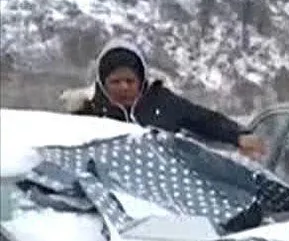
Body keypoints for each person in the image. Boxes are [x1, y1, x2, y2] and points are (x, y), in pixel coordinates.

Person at [68, 39, 266, 156]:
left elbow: (202, 119)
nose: (124, 87)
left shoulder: (161, 101)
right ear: (103, 83)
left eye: (130, 81)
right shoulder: (87, 114)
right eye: (116, 82)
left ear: (141, 79)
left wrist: (237, 136)